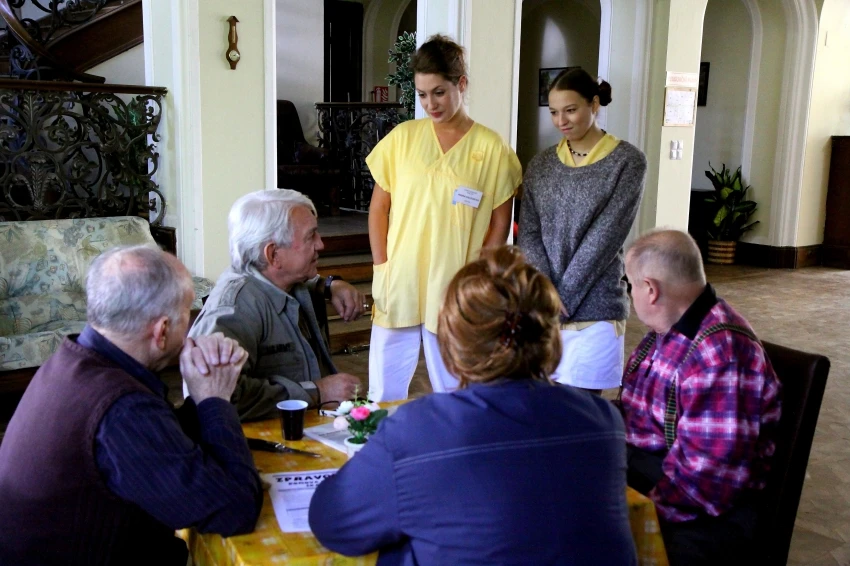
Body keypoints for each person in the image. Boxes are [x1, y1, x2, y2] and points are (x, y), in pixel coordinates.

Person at [309, 246, 637, 565]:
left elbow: (335, 524)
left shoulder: (419, 429)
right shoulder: (603, 420)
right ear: (551, 336)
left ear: (454, 345)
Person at [0, 245, 263, 566]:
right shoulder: (122, 408)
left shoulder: (74, 361)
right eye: (187, 316)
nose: (192, 328)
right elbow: (236, 512)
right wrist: (215, 399)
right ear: (162, 331)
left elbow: (161, 448)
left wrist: (201, 396)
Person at [367, 34, 522, 401]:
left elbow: (500, 220)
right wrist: (381, 266)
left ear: (461, 84)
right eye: (422, 94)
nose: (429, 104)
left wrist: (479, 274)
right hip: (400, 279)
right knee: (383, 392)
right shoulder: (403, 138)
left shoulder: (491, 148)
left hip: (456, 282)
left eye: (438, 92)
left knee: (458, 389)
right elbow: (378, 208)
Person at [620, 229, 782, 565]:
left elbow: (707, 484)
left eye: (630, 285)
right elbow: (631, 412)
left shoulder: (720, 354)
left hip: (706, 521)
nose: (630, 293)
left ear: (650, 290)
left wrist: (628, 516)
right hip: (653, 476)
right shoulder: (667, 330)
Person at [518, 68, 647, 393]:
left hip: (597, 308)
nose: (561, 120)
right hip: (545, 308)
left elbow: (606, 237)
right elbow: (529, 234)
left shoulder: (627, 162)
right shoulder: (541, 164)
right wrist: (546, 291)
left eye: (571, 110)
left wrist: (563, 297)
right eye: (553, 112)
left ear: (594, 104)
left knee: (582, 414)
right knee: (543, 412)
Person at [190, 189, 366, 421]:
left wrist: (330, 285)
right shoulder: (235, 308)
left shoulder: (288, 281)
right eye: (310, 236)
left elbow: (306, 283)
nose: (321, 244)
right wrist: (317, 392)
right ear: (273, 254)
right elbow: (214, 397)